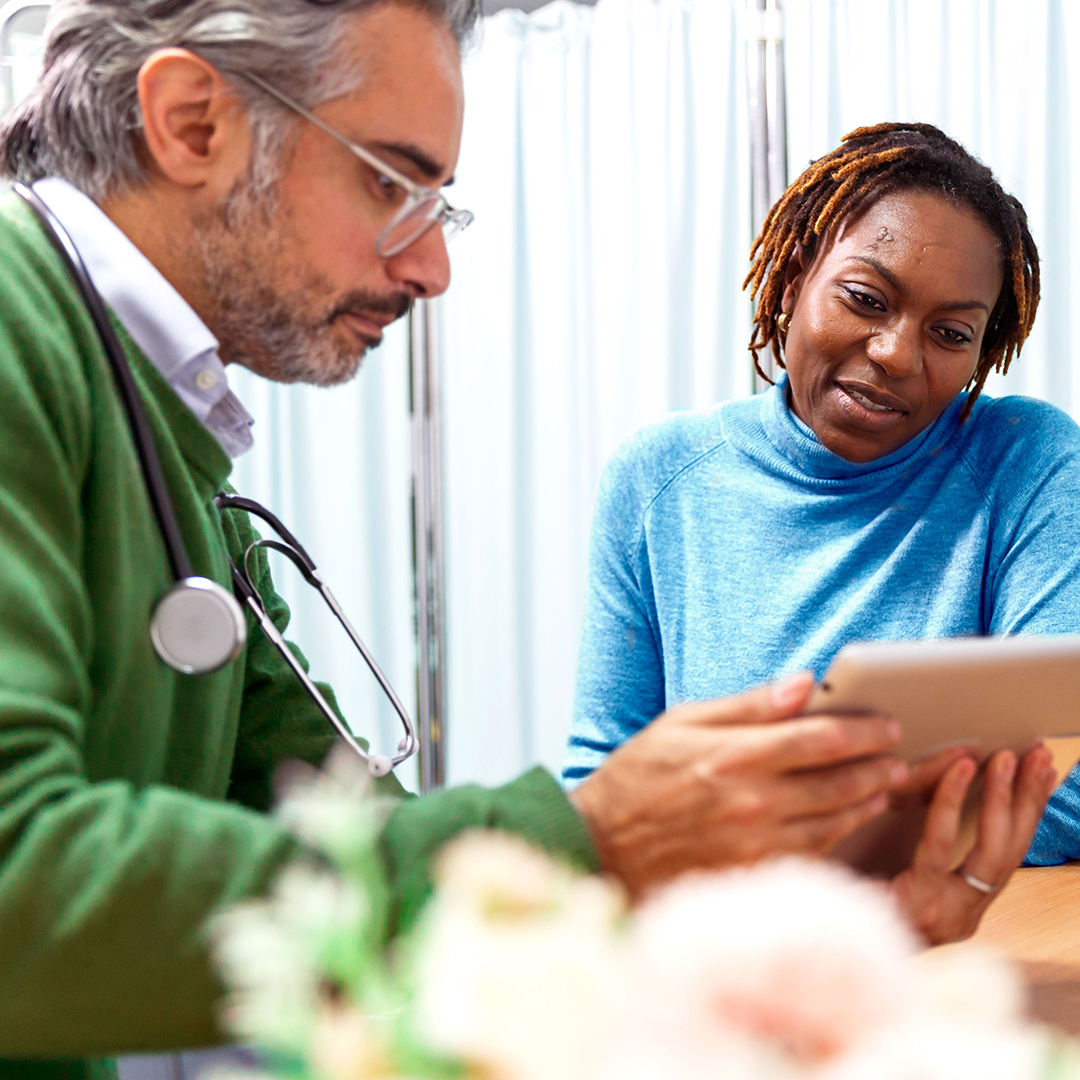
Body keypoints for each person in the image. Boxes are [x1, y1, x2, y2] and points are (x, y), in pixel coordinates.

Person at [0, 5, 1052, 1075]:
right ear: (192, 123)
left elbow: (350, 862)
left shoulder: (172, 448)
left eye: (436, 208)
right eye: (393, 185)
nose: (431, 270)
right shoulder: (16, 323)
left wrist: (828, 933)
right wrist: (598, 837)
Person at [565, 121, 1077, 864]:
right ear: (795, 278)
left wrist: (748, 832)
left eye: (951, 334)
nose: (897, 354)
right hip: (717, 923)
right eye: (866, 298)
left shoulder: (1027, 464)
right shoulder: (658, 479)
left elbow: (1064, 792)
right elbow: (601, 794)